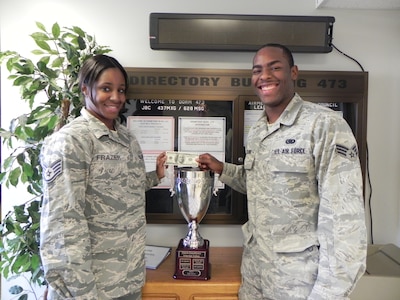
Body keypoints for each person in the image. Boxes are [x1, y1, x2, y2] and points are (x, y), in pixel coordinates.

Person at [197, 44, 367, 300]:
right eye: (257, 70)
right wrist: (221, 169)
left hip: (300, 285)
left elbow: (345, 221)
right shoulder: (258, 132)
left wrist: (327, 294)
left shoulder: (324, 125)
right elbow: (258, 183)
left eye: (275, 67)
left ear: (293, 72)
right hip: (256, 277)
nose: (264, 76)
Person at [39, 54, 167, 300]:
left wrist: (155, 176)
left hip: (127, 280)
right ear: (85, 89)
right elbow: (63, 223)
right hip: (89, 287)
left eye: (121, 90)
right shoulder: (72, 141)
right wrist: (81, 291)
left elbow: (123, 189)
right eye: (106, 89)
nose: (117, 97)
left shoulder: (126, 138)